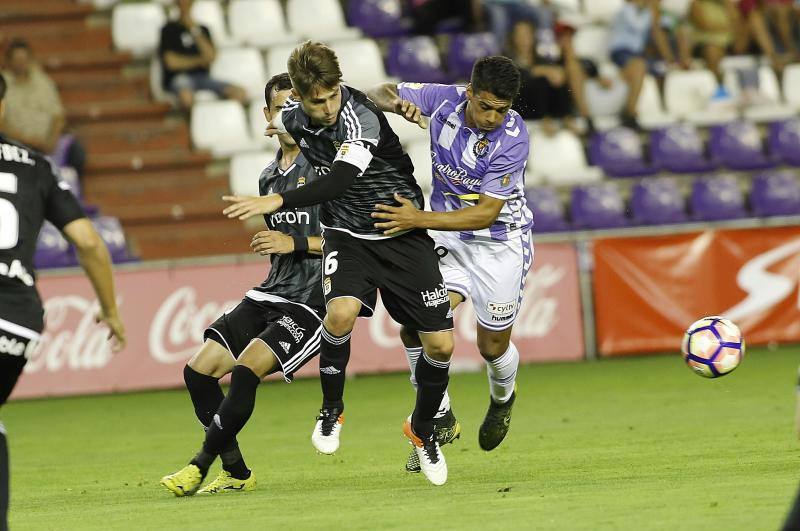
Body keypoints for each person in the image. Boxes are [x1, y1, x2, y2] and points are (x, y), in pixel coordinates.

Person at [222, 41, 455, 486]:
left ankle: (422, 428)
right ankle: (331, 410)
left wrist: (274, 198)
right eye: (317, 101)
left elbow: (342, 178)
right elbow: (286, 128)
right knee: (340, 312)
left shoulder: (360, 117)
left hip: (401, 231)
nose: (328, 107)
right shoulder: (292, 117)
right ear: (301, 99)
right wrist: (277, 131)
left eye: (333, 96)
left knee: (441, 346)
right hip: (348, 236)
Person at [160, 73, 325, 496]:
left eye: (297, 106)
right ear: (266, 116)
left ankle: (200, 463)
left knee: (245, 371)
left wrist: (295, 242)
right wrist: (282, 247)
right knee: (198, 372)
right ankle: (235, 471)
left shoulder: (328, 168)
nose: (288, 115)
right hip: (271, 291)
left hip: (313, 301)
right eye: (281, 107)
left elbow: (357, 239)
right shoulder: (269, 178)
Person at [367, 56, 532, 472]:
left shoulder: (513, 139)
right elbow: (378, 93)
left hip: (499, 245)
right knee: (415, 322)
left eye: (502, 109)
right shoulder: (443, 100)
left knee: (491, 346)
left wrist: (415, 218)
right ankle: (438, 416)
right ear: (470, 92)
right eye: (486, 106)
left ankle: (502, 400)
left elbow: (485, 214)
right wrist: (395, 103)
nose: (494, 117)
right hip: (447, 238)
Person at [0, 73, 126, 530]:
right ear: (3, 108)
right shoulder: (37, 166)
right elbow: (90, 243)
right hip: (17, 319)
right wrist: (110, 309)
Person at [0, 39, 85, 182]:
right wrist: (26, 141)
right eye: (17, 59)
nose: (21, 63)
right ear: (8, 61)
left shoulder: (43, 81)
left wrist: (51, 140)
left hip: (49, 143)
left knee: (77, 151)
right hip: (16, 143)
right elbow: (2, 124)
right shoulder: (3, 83)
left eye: (24, 59)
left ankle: (72, 195)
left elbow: (58, 116)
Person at [158, 0, 247, 109]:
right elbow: (172, 63)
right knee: (186, 96)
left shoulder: (203, 30)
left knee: (239, 92)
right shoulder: (168, 30)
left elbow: (211, 56)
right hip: (179, 78)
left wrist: (194, 29)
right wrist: (200, 61)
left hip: (203, 78)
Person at [608, 0, 678, 128]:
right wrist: (653, 12)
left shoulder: (649, 13)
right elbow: (638, 25)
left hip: (639, 54)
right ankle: (629, 113)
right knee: (639, 66)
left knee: (662, 69)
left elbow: (664, 30)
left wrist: (670, 59)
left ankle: (664, 107)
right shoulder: (625, 10)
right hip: (622, 52)